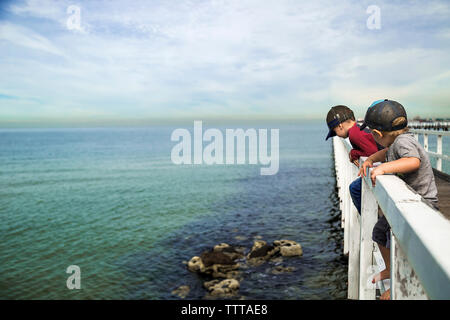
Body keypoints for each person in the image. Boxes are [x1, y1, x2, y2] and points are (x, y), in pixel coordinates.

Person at [358, 99, 439, 300]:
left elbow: (412, 161)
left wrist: (384, 168)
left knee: (402, 247)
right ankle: (389, 269)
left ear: (376, 134)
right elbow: (385, 152)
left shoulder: (404, 142)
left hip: (423, 203)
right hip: (412, 202)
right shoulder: (398, 142)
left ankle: (396, 285)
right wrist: (370, 160)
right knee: (379, 231)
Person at [325, 105, 380, 213]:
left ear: (340, 126)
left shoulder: (354, 134)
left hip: (387, 167)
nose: (337, 136)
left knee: (354, 189)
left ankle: (371, 216)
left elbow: (373, 153)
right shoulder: (360, 128)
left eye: (335, 132)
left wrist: (354, 152)